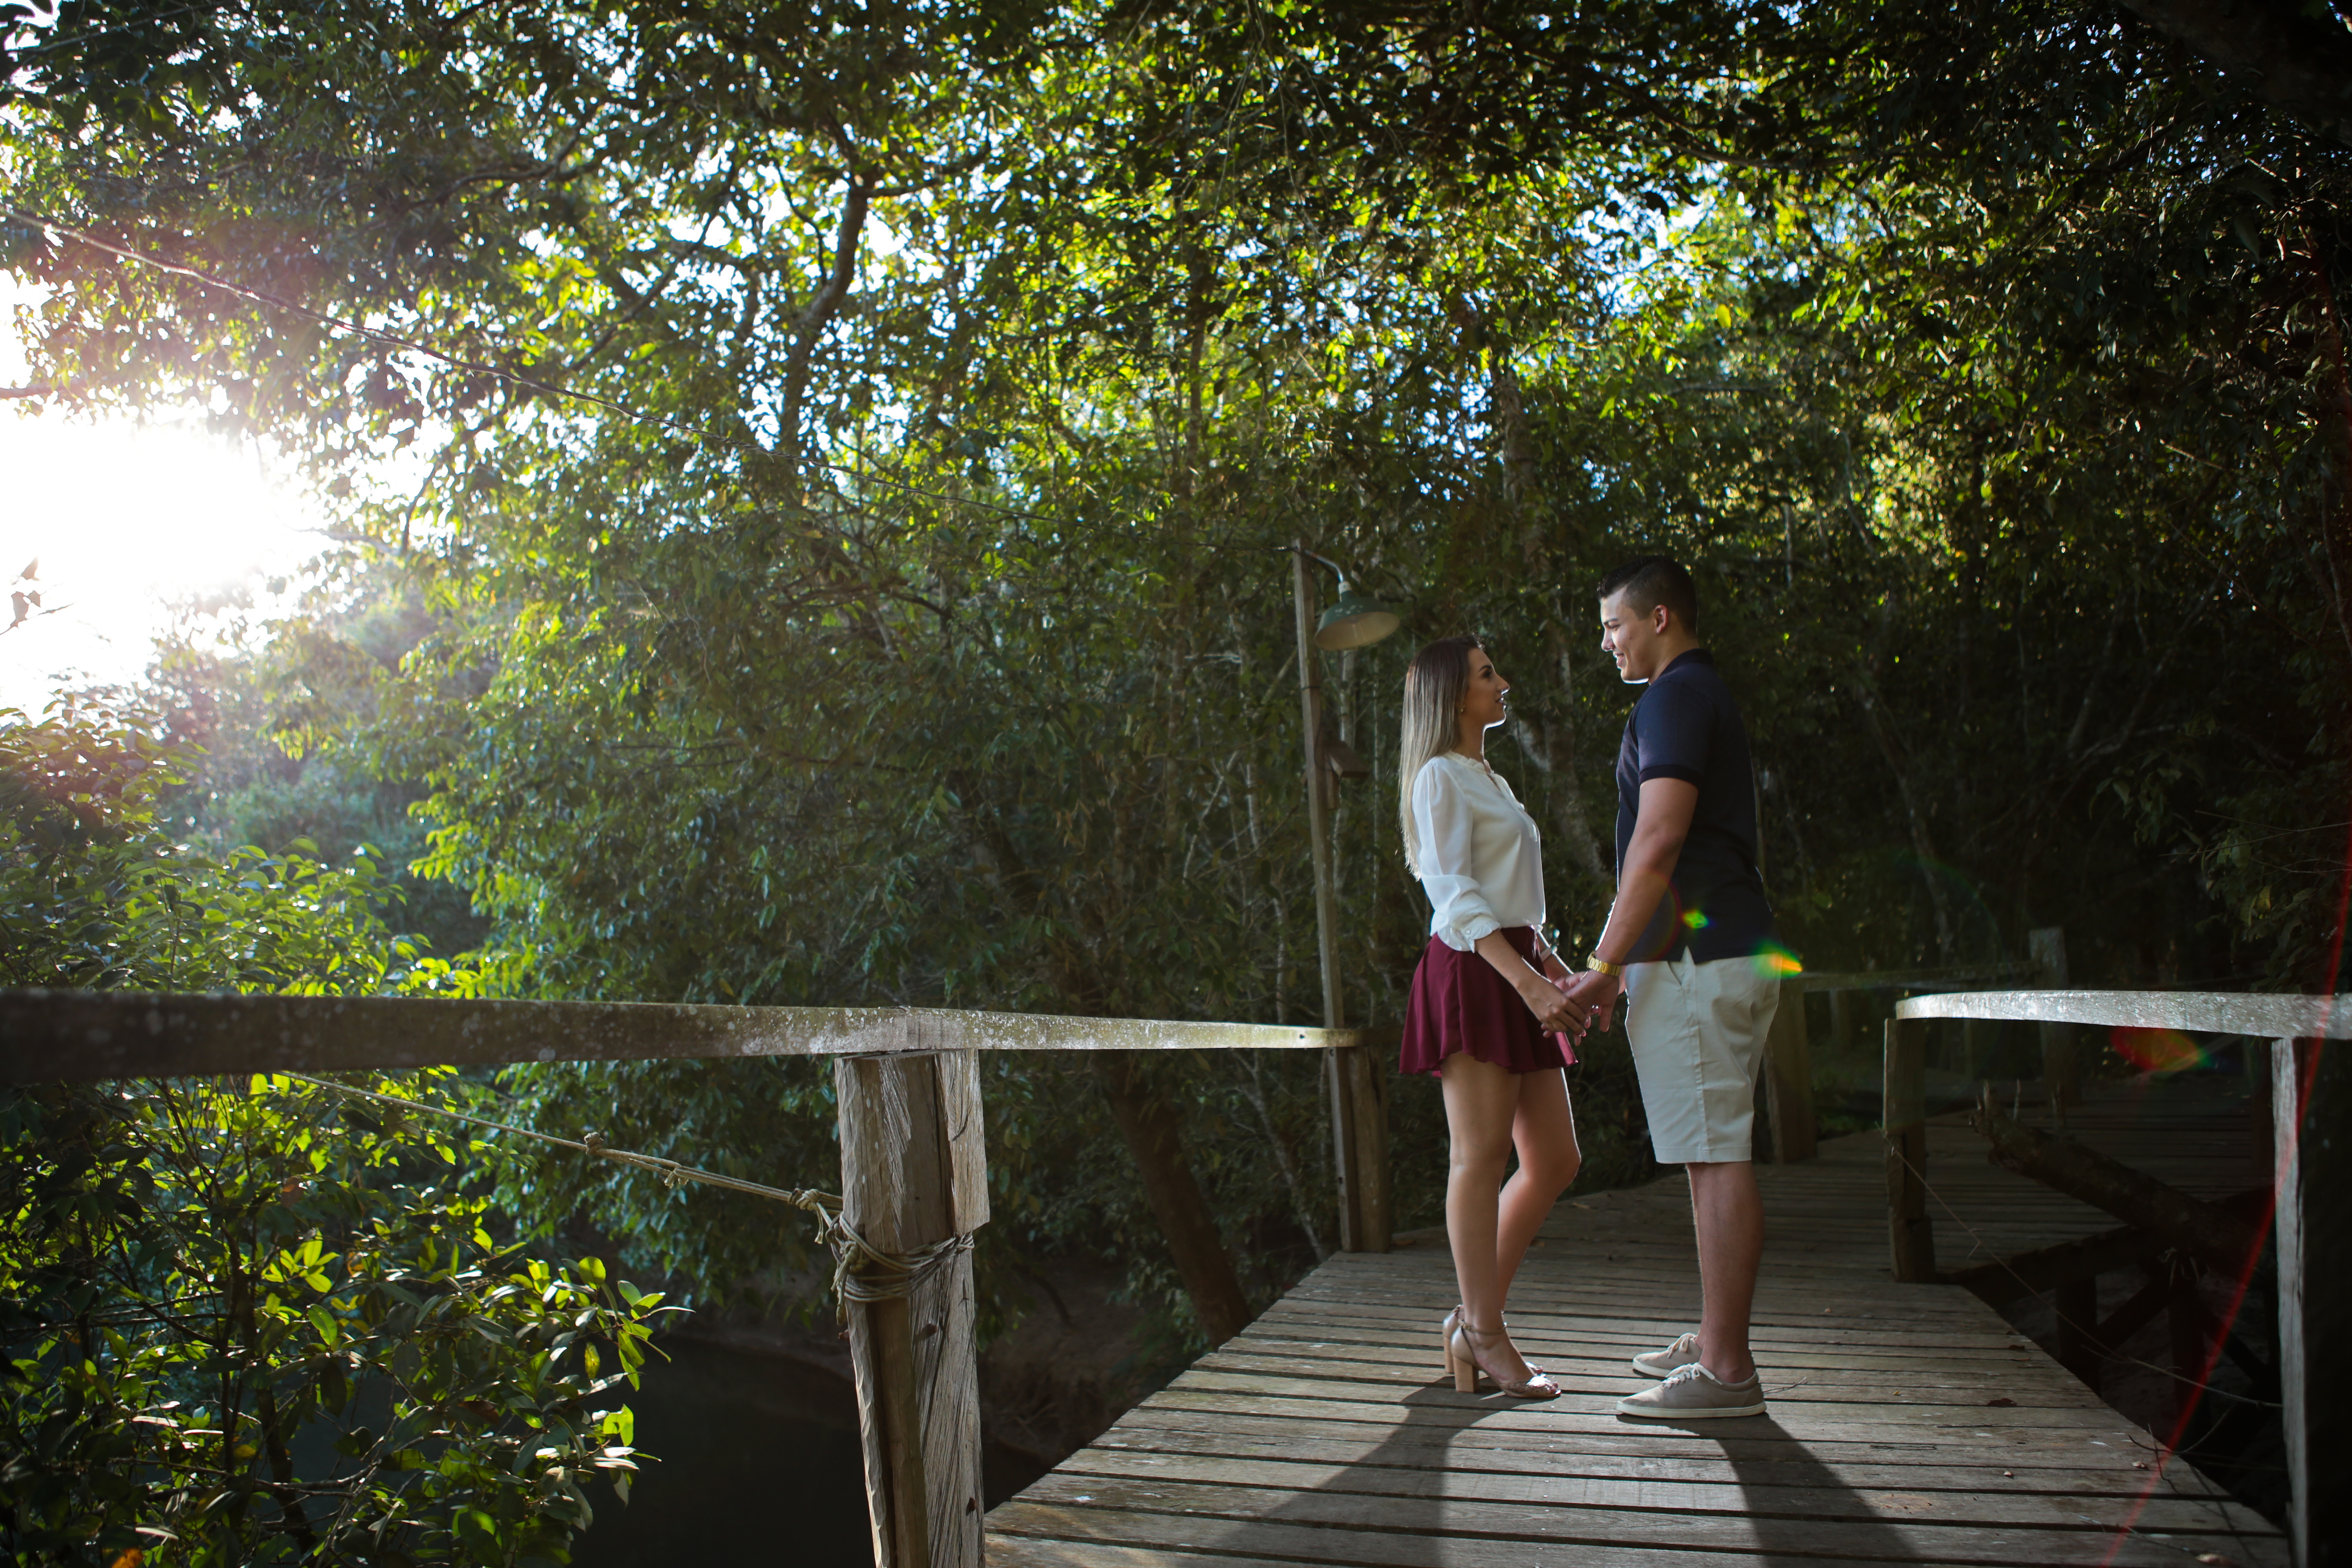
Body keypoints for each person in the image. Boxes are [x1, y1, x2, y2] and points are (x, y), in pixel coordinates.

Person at [1559, 556, 1782, 1420]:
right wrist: (1626, 974)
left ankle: (1728, 1374)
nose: (1607, 642)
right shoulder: (1693, 696)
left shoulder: (1675, 698)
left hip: (1702, 956)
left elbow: (1657, 845)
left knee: (1718, 1158)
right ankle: (1716, 1334)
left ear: (1660, 619)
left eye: (1615, 625)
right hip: (1705, 950)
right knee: (1707, 1154)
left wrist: (1604, 967)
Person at [1395, 635, 1591, 1400]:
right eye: (1487, 676)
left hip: (1511, 964)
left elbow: (1507, 895)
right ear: (1452, 696)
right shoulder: (1440, 777)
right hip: (1475, 972)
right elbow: (1456, 898)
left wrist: (1549, 966)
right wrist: (1526, 983)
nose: (1503, 684)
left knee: (1555, 1158)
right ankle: (1484, 1330)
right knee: (1479, 1157)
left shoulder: (1488, 776)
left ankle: (1472, 1319)